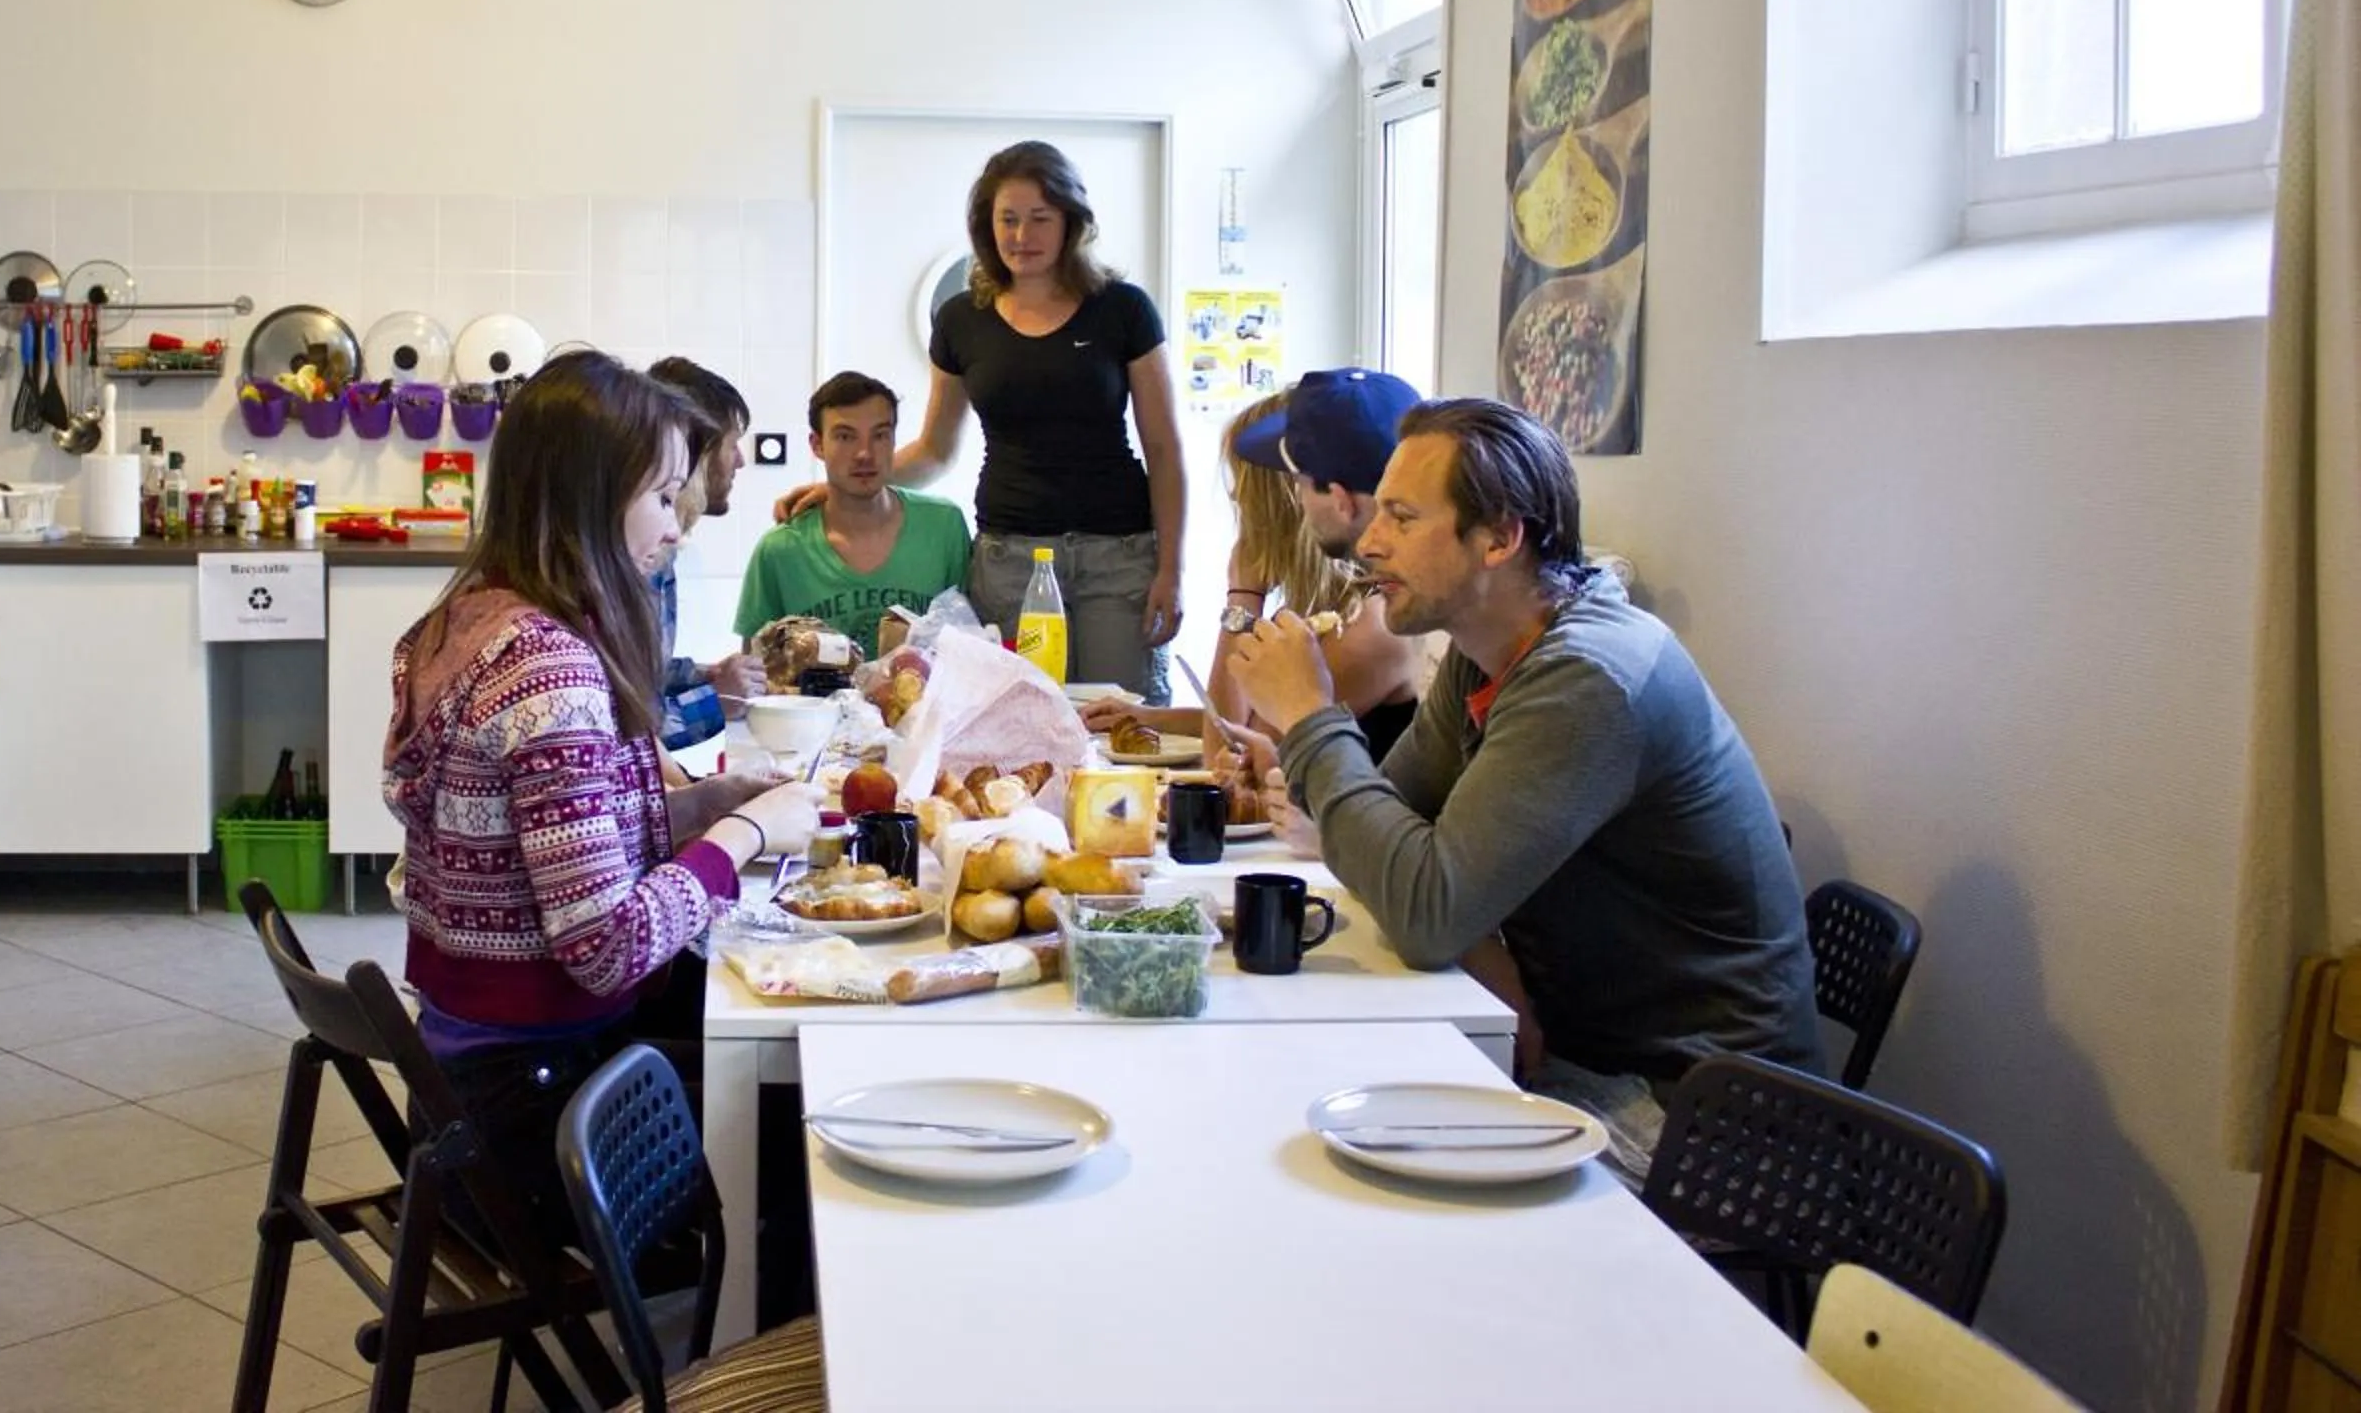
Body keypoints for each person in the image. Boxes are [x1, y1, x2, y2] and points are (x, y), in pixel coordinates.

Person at [1224, 396, 1819, 1184]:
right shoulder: (1491, 648)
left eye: (1402, 517)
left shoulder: (1587, 680)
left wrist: (1310, 713)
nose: (1368, 542)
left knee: (1307, 1151)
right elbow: (1388, 831)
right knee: (1278, 1097)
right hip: (1585, 1047)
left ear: (1501, 537)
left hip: (1696, 1116)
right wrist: (1479, 940)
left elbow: (1423, 907)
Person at [383, 351, 818, 1240]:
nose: (678, 523)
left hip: (467, 1090)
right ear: (591, 496)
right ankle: (750, 1370)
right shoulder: (549, 671)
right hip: (539, 1118)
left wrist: (692, 811)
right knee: (810, 1129)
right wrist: (737, 837)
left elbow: (551, 837)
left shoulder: (469, 619)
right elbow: (606, 949)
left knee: (765, 1040)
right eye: (662, 495)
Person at [776, 141, 1187, 696]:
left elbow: (1164, 452)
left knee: (1121, 718)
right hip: (1009, 556)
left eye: (1039, 219)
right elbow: (934, 450)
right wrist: (846, 485)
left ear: (1071, 222)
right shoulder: (961, 320)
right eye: (1008, 220)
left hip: (1117, 557)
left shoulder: (1124, 309)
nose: (1022, 236)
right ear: (986, 227)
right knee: (1011, 720)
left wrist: (1173, 571)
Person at [1082, 371, 1425, 768]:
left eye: (1245, 485)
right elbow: (1259, 722)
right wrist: (1157, 719)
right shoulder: (1352, 606)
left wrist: (1243, 597)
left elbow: (1228, 759)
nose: (1234, 496)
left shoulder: (1371, 628)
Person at [735, 370, 974, 652]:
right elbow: (755, 670)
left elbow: (970, 648)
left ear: (894, 439)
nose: (864, 453)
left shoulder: (943, 527)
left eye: (880, 435)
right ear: (817, 445)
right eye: (845, 437)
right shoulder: (780, 551)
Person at [645, 358, 768, 754]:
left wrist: (703, 675)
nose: (741, 460)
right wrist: (716, 699)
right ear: (699, 448)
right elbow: (615, 732)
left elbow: (641, 674)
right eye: (733, 444)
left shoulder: (661, 543)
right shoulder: (636, 551)